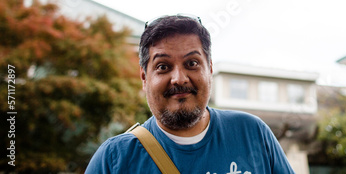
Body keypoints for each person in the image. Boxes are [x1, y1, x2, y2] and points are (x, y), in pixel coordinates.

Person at [85, 14, 295, 173]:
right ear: (144, 78)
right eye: (163, 66)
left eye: (192, 63)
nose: (179, 78)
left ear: (210, 69)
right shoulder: (114, 160)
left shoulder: (253, 133)